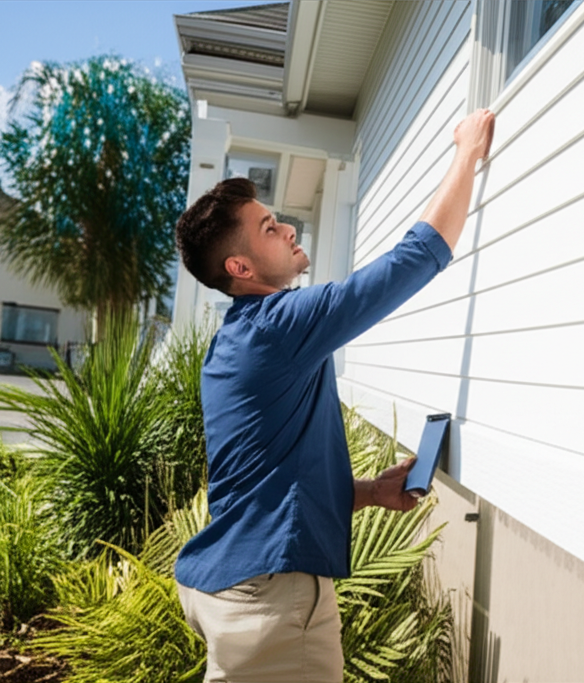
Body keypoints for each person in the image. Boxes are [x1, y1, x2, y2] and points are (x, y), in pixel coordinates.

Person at [172, 108, 495, 682]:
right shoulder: (278, 325)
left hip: (230, 588)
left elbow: (264, 486)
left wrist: (367, 492)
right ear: (240, 266)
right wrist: (467, 152)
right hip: (270, 604)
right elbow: (416, 258)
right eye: (270, 228)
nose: (289, 228)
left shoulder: (236, 341)